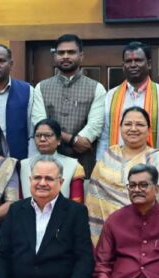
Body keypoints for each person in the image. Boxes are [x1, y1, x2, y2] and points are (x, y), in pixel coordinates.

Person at [86, 107, 159, 245]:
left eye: (140, 124)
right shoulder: (107, 156)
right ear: (120, 128)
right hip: (105, 235)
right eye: (128, 124)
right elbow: (94, 199)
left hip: (150, 236)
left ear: (149, 130)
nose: (133, 129)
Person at [33, 34, 106, 176]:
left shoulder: (97, 88)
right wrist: (72, 140)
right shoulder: (41, 87)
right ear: (55, 56)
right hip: (49, 162)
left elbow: (95, 125)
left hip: (83, 162)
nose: (65, 56)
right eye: (61, 53)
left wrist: (81, 140)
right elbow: (39, 122)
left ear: (81, 56)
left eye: (71, 52)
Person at [99, 42, 159, 164]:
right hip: (117, 167)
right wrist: (100, 164)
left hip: (155, 168)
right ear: (123, 66)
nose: (133, 65)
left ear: (149, 64)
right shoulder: (111, 96)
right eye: (128, 61)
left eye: (138, 60)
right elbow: (104, 137)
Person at [0, 44, 46, 161]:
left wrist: (30, 162)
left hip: (18, 159)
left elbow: (32, 133)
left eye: (1, 61)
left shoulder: (27, 91)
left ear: (11, 64)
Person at [20, 119, 84, 203]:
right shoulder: (22, 165)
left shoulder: (73, 165)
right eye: (38, 135)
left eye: (48, 135)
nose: (42, 139)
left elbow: (77, 204)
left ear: (59, 140)